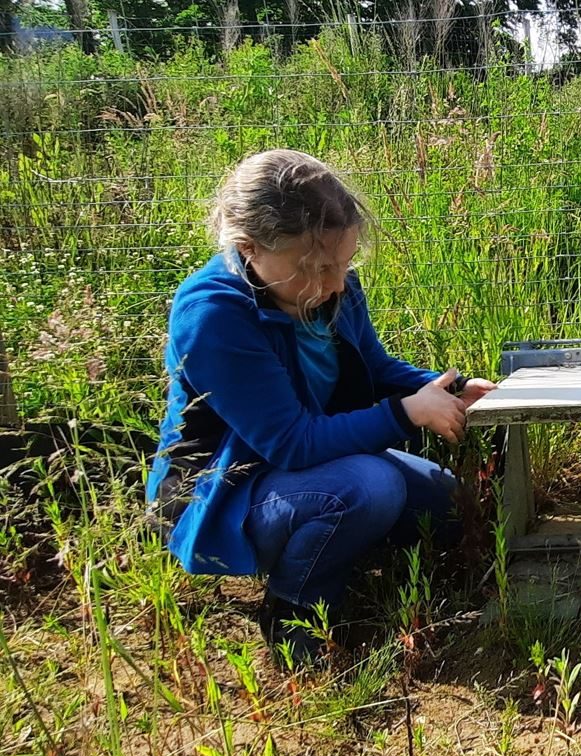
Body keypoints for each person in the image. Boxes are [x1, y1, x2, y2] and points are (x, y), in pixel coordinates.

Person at [146, 149, 495, 663]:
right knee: (371, 488)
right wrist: (406, 413)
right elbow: (292, 443)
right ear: (248, 248)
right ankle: (296, 615)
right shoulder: (214, 314)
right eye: (314, 268)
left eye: (344, 263)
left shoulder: (331, 286)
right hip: (224, 491)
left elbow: (375, 367)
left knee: (449, 506)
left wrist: (447, 387)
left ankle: (345, 558)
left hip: (312, 468)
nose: (334, 284)